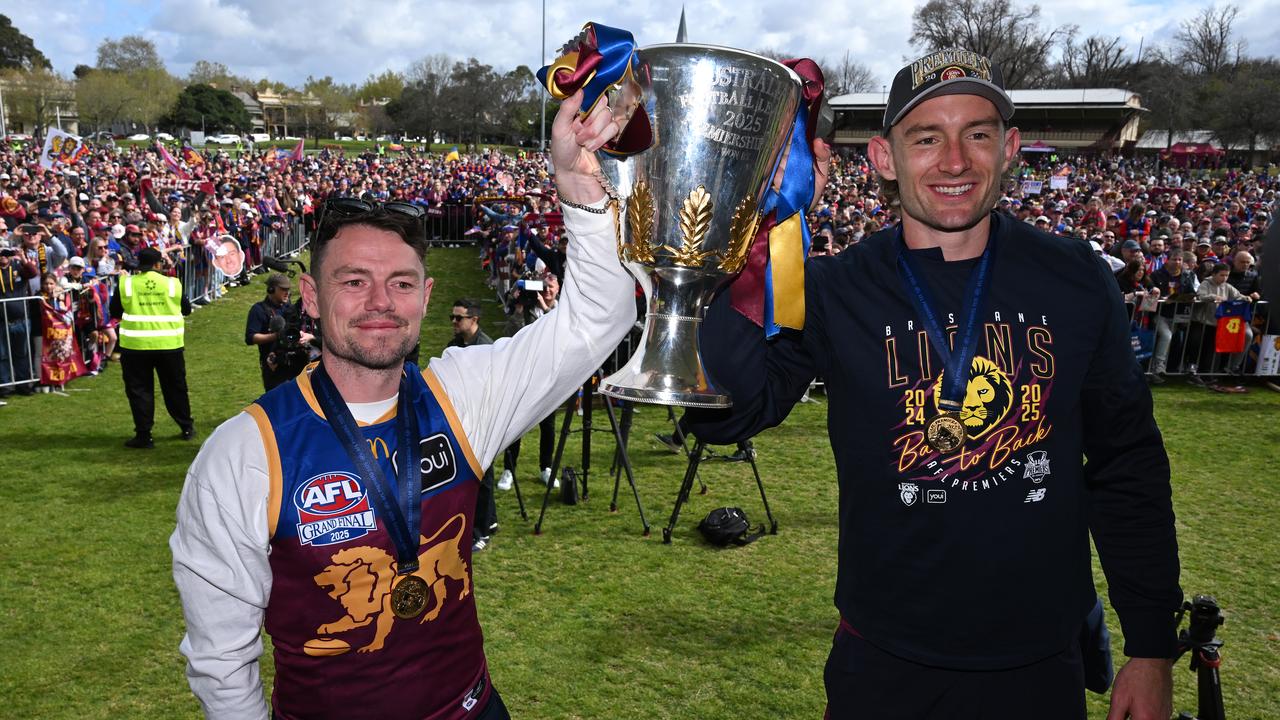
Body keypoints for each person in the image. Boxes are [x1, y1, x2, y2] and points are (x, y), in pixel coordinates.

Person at [684, 51, 1181, 719]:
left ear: (1008, 149)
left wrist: (1150, 648)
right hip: (885, 660)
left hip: (1037, 661)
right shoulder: (833, 288)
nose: (954, 160)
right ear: (884, 157)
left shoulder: (1074, 278)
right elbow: (723, 415)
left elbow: (1128, 465)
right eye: (926, 137)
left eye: (976, 133)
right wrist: (758, 238)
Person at [170, 89, 634, 720]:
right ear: (310, 296)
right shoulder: (243, 454)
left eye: (401, 283)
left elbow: (598, 321)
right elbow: (222, 662)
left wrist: (578, 188)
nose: (380, 302)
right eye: (353, 281)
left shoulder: (464, 394)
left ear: (426, 295)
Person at [110, 247, 195, 448]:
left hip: (135, 346)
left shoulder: (126, 284)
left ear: (139, 264)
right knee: (175, 388)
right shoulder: (172, 284)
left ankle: (144, 435)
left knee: (140, 391)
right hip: (169, 344)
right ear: (158, 264)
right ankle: (186, 427)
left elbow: (114, 311)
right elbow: (187, 309)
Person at [445, 297, 497, 551]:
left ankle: (481, 533)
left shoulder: (486, 349)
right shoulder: (454, 344)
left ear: (474, 319)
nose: (453, 322)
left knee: (482, 474)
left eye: (459, 318)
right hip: (460, 416)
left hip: (482, 418)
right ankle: (490, 521)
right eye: (452, 317)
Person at [245, 273, 313, 391]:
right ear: (271, 289)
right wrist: (276, 336)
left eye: (288, 289)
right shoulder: (259, 310)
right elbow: (251, 338)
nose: (287, 293)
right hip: (274, 365)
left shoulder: (292, 308)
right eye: (283, 289)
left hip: (296, 362)